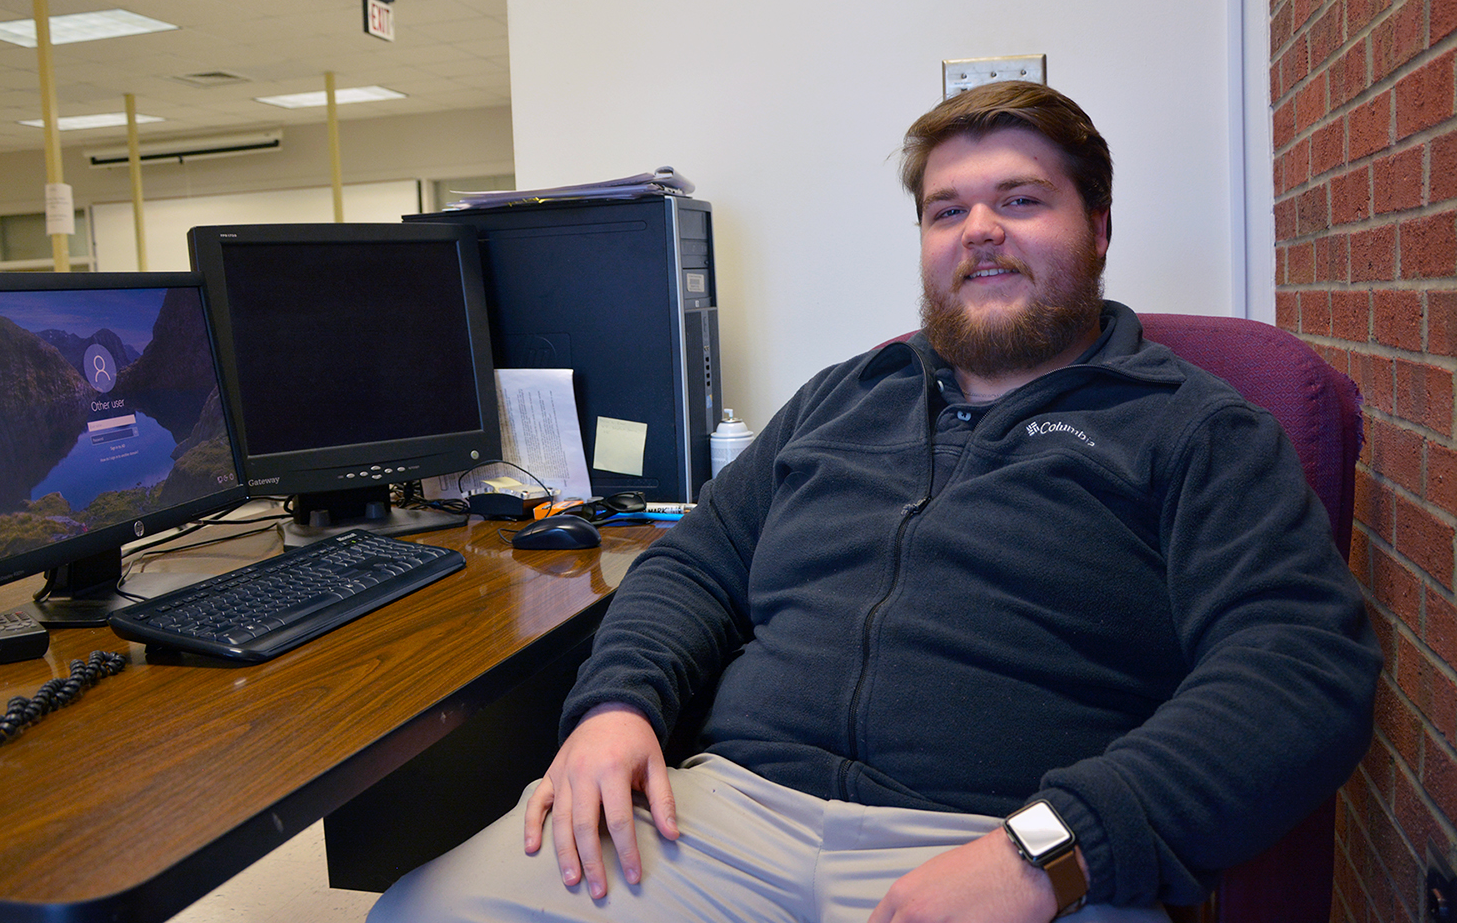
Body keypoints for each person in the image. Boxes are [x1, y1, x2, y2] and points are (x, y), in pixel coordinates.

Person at [367, 82, 1381, 923]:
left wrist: (1048, 849)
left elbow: (1299, 670)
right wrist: (618, 704)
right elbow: (693, 565)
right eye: (947, 211)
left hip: (1002, 842)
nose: (978, 230)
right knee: (424, 912)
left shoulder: (1196, 428)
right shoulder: (845, 395)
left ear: (1099, 229)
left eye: (1022, 200)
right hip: (720, 817)